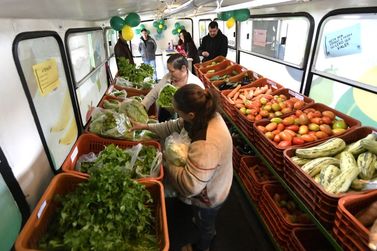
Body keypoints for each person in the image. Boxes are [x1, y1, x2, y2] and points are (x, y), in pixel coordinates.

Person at [132, 84, 233, 251]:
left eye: (178, 111)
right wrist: (146, 127)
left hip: (210, 193)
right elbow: (174, 125)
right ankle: (204, 225)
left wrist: (166, 160)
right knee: (202, 218)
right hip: (213, 179)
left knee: (205, 225)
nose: (177, 113)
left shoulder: (207, 144)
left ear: (190, 114)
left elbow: (190, 186)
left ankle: (204, 245)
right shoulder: (203, 114)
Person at [141, 53, 204, 122]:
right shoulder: (167, 77)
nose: (170, 74)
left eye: (172, 71)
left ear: (183, 68)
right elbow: (152, 94)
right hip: (165, 121)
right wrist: (141, 107)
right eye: (168, 71)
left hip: (185, 123)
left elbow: (199, 113)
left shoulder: (195, 84)